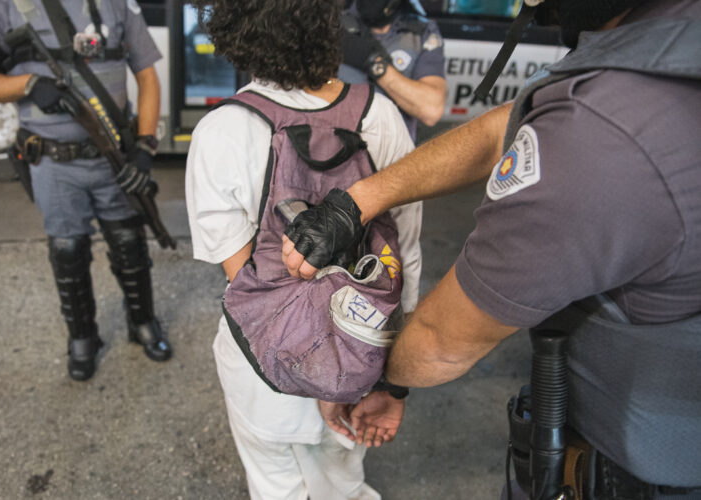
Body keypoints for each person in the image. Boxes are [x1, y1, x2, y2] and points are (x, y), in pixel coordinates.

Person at [283, 0, 701, 496]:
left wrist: (363, 378)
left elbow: (444, 340)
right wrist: (356, 201)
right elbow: (506, 128)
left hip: (633, 472)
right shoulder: (668, 41)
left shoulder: (600, 135)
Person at [184, 1, 424, 498]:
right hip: (357, 357)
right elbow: (407, 259)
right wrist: (385, 379)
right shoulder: (378, 115)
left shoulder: (221, 131)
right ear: (329, 25)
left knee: (275, 485)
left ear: (233, 30)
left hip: (264, 374)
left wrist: (311, 384)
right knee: (342, 482)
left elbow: (250, 285)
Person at [0, 0, 172, 382]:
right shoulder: (1, 6)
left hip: (115, 157)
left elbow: (146, 75)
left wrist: (145, 147)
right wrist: (29, 84)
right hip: (53, 163)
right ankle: (83, 338)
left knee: (130, 242)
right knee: (68, 251)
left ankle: (143, 322)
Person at [338, 0, 447, 142]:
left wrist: (373, 62)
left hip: (396, 157)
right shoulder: (333, 24)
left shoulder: (420, 32)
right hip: (341, 153)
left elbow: (431, 110)